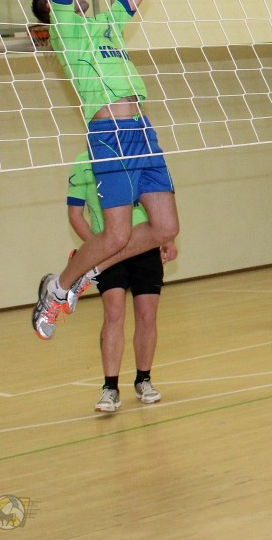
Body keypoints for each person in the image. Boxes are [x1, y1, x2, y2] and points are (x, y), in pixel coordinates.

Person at [30, 0, 179, 340]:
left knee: (166, 226)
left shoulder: (104, 25)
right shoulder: (67, 32)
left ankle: (88, 272)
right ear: (52, 7)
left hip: (142, 130)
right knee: (115, 235)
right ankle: (58, 287)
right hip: (109, 134)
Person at [68, 151, 177, 412]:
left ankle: (144, 380)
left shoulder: (140, 155)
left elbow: (161, 201)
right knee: (114, 313)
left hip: (144, 247)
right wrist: (97, 248)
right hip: (109, 249)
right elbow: (75, 214)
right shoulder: (82, 164)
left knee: (147, 315)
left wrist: (168, 239)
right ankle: (110, 388)